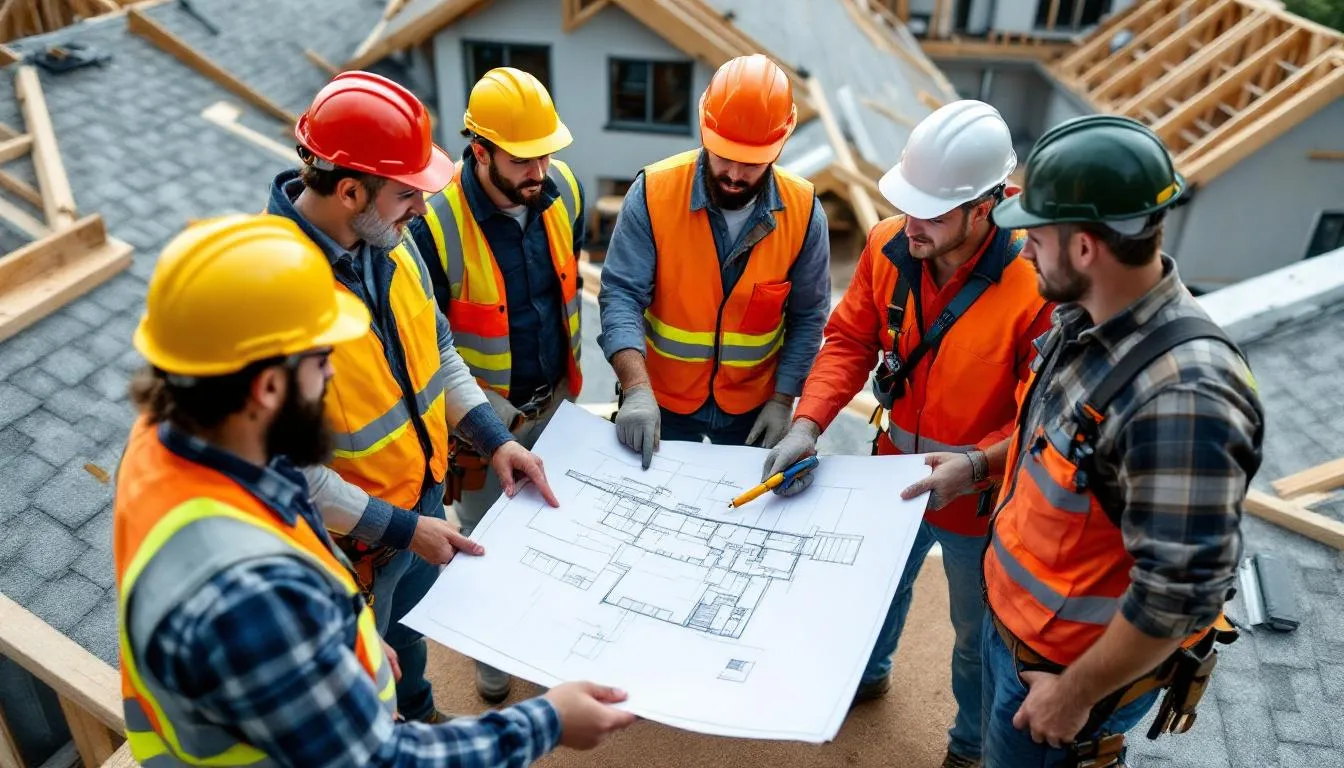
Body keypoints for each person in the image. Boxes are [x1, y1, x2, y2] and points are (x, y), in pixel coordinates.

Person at [113, 214, 637, 767]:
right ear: (268, 387)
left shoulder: (168, 439)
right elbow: (384, 761)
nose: (332, 378)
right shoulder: (251, 597)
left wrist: (349, 641)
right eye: (321, 361)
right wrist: (548, 720)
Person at [762, 100, 1052, 768]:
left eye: (933, 212)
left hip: (976, 500)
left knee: (975, 635)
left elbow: (1040, 418)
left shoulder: (1035, 285)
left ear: (988, 205)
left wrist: (976, 468)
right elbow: (849, 341)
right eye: (909, 203)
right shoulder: (889, 244)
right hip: (892, 468)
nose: (913, 224)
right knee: (874, 592)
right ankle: (866, 678)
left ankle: (969, 745)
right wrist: (808, 424)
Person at [265, 70, 559, 723]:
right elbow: (289, 476)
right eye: (407, 194)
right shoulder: (276, 295)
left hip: (420, 507)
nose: (422, 210)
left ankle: (423, 719)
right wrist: (404, 530)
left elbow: (442, 353)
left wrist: (495, 439)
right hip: (351, 550)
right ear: (349, 191)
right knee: (366, 692)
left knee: (408, 647)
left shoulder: (391, 246)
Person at [980, 114, 1264, 767]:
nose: (1024, 251)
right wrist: (975, 468)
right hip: (1020, 641)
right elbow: (1052, 455)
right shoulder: (1082, 323)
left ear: (1084, 248)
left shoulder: (1184, 400)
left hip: (1064, 680)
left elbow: (1180, 592)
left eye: (1036, 236)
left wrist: (1073, 696)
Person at [408, 66, 585, 704]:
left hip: (556, 404)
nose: (539, 170)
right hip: (480, 425)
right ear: (480, 151)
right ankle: (490, 656)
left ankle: (541, 633)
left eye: (546, 153)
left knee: (552, 526)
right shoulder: (430, 225)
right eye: (522, 158)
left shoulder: (563, 190)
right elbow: (429, 346)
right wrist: (479, 427)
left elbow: (568, 290)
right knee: (483, 539)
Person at [597, 53, 831, 467]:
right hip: (660, 399)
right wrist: (635, 388)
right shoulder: (653, 193)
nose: (736, 174)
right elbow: (621, 296)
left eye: (752, 162)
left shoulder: (805, 212)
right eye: (725, 156)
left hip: (753, 407)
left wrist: (783, 398)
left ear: (779, 146)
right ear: (705, 130)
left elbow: (809, 315)